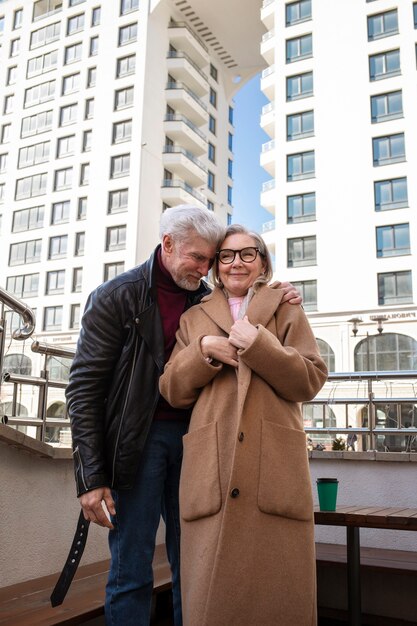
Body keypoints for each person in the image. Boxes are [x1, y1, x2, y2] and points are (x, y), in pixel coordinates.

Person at [66, 206, 302, 626]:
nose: (206, 267)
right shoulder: (117, 295)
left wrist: (278, 293)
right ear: (168, 244)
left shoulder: (201, 294)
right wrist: (92, 477)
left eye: (212, 258)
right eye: (198, 258)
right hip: (135, 446)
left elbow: (242, 298)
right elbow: (84, 388)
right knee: (131, 570)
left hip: (198, 443)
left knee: (195, 565)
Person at [160, 224, 328, 626]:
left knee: (277, 592)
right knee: (210, 599)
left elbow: (310, 380)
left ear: (263, 262)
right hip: (211, 464)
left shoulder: (286, 306)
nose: (237, 263)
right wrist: (203, 351)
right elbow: (171, 389)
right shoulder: (194, 318)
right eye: (227, 255)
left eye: (247, 254)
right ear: (217, 266)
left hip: (271, 463)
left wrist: (259, 345)